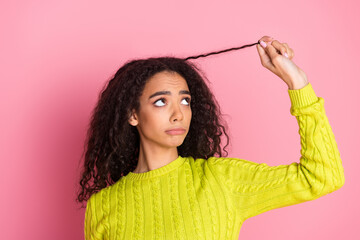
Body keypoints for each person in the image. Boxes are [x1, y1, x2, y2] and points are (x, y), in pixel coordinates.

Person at [76, 36, 345, 240]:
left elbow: (322, 176)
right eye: (160, 102)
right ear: (132, 114)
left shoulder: (220, 180)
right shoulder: (103, 206)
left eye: (185, 101)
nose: (178, 114)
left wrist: (298, 83)